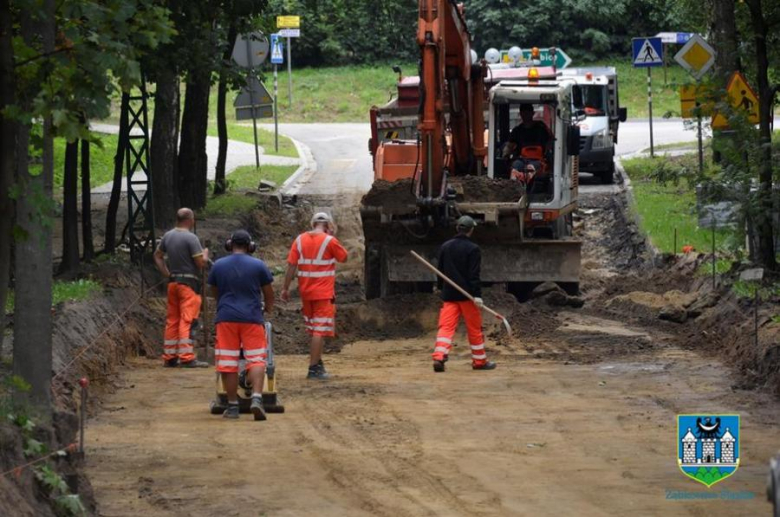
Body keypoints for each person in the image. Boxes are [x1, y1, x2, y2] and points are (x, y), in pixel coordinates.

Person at [207, 230, 275, 420]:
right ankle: (256, 398)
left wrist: (223, 304)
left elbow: (214, 291)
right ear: (250, 246)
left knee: (228, 363)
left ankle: (233, 406)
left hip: (226, 318)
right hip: (252, 318)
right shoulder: (258, 265)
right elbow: (269, 293)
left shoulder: (219, 265)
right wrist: (268, 308)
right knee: (256, 359)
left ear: (230, 245)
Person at [281, 212, 348, 379]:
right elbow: (344, 257)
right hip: (323, 293)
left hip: (306, 292)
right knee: (319, 331)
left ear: (312, 224)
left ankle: (318, 363)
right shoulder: (329, 240)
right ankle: (313, 368)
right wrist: (333, 236)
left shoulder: (299, 240)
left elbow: (291, 265)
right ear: (329, 225)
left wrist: (285, 288)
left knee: (313, 330)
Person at [432, 216, 496, 372]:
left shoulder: (446, 246)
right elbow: (474, 275)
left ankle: (439, 356)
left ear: (457, 229)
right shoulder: (473, 249)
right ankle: (479, 362)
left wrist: (441, 287)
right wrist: (477, 295)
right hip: (467, 297)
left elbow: (440, 271)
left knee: (445, 328)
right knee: (474, 329)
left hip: (449, 296)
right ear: (471, 230)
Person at [154, 208, 209, 368]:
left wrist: (166, 273)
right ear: (190, 220)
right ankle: (186, 357)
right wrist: (205, 254)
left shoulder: (168, 236)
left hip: (173, 284)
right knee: (187, 320)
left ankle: (170, 356)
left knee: (172, 320)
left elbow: (157, 256)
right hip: (188, 285)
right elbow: (200, 263)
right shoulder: (191, 238)